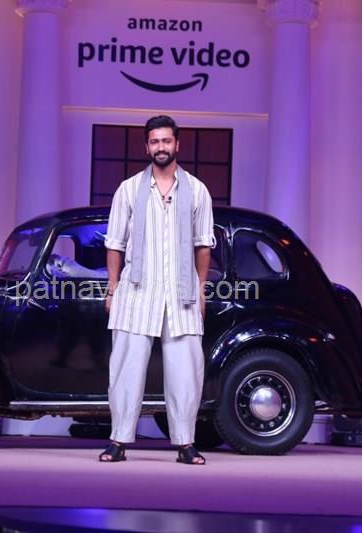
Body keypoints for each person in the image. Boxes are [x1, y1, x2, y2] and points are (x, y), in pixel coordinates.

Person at [99, 115, 215, 465]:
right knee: (126, 370)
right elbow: (115, 244)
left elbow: (203, 245)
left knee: (186, 373)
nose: (161, 147)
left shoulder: (197, 190)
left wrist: (201, 289)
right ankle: (118, 441)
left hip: (182, 295)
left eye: (166, 141)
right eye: (154, 141)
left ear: (177, 144)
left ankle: (185, 444)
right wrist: (112, 289)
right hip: (136, 293)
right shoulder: (128, 189)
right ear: (146, 147)